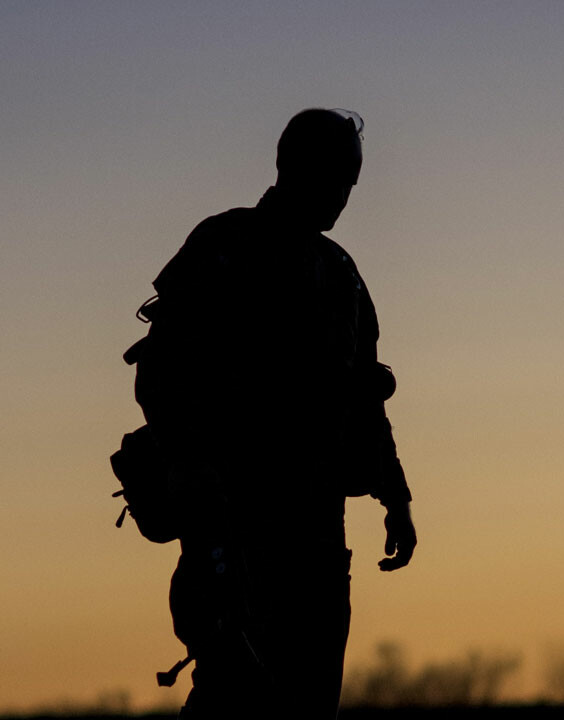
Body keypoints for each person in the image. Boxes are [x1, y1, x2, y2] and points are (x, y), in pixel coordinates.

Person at [147, 108, 416, 718]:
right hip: (233, 526)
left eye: (352, 180)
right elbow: (163, 375)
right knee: (235, 699)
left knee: (309, 706)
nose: (345, 194)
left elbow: (364, 397)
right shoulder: (223, 247)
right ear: (293, 168)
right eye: (336, 176)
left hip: (318, 533)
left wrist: (395, 498)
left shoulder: (341, 274)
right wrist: (196, 477)